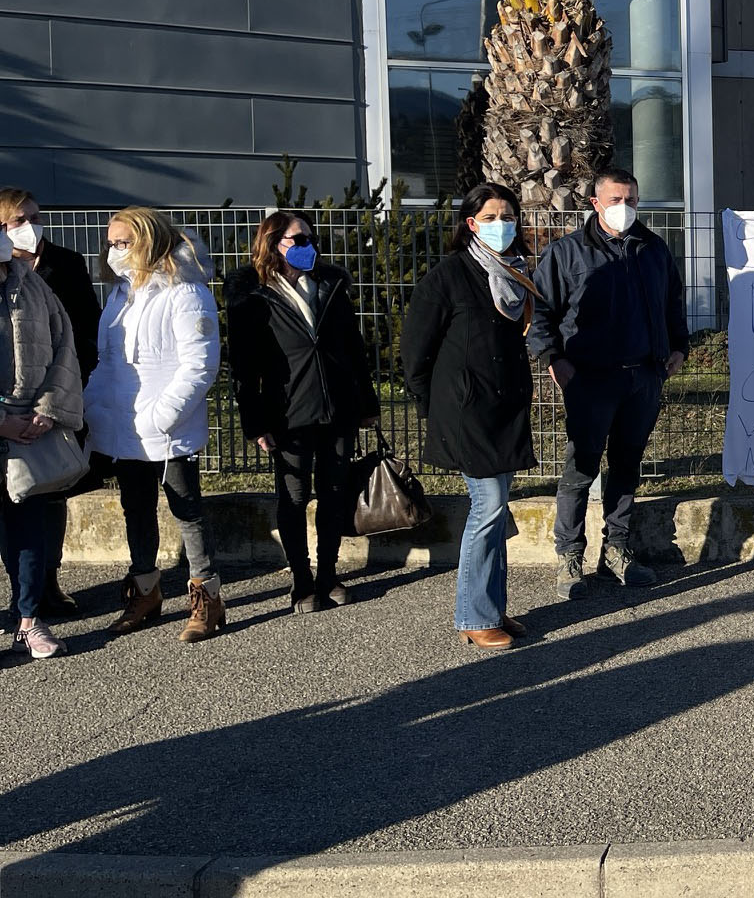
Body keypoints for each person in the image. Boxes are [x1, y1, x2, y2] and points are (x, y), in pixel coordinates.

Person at [528, 169, 688, 599]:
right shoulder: (567, 253)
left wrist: (679, 347)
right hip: (590, 378)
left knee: (626, 465)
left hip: (644, 376)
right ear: (596, 203)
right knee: (580, 468)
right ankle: (569, 555)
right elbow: (540, 313)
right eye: (616, 199)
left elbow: (673, 302)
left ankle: (616, 550)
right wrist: (553, 358)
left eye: (632, 199)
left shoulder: (653, 250)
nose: (625, 208)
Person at [403, 183, 540, 648]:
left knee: (497, 511)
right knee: (488, 509)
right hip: (466, 414)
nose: (503, 224)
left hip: (501, 410)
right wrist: (436, 409)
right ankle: (474, 616)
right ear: (471, 223)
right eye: (492, 216)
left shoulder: (513, 272)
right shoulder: (449, 276)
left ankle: (493, 608)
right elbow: (415, 354)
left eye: (509, 215)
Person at [225, 211, 380, 615]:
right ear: (274, 243)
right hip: (288, 412)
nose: (308, 245)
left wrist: (367, 403)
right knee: (294, 497)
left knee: (333, 493)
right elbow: (244, 366)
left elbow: (354, 349)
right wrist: (254, 421)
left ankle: (329, 574)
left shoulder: (329, 286)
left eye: (310, 237)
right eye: (298, 239)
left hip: (338, 408)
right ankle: (302, 580)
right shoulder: (254, 294)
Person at [85, 207, 224, 642]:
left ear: (148, 240)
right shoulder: (121, 292)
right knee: (136, 508)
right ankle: (145, 591)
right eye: (110, 243)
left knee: (187, 511)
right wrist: (93, 406)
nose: (114, 251)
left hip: (166, 427)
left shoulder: (186, 292)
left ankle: (208, 598)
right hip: (122, 424)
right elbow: (107, 360)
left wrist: (162, 416)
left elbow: (199, 366)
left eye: (122, 243)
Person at [0, 188, 100, 618]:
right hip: (7, 413)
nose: (31, 227)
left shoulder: (64, 265)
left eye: (35, 217)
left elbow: (78, 337)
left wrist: (53, 407)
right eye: (19, 220)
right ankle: (22, 595)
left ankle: (45, 585)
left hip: (49, 404)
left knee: (46, 497)